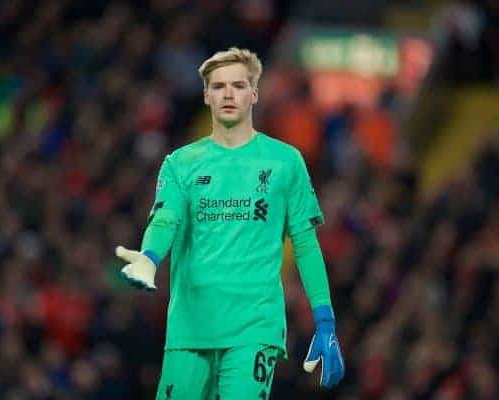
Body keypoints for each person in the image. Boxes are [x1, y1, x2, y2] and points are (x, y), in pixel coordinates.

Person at [115, 47, 345, 399]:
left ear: (254, 93)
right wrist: (149, 257)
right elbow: (165, 219)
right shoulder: (181, 163)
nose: (228, 94)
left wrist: (325, 321)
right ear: (206, 95)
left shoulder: (285, 162)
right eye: (218, 86)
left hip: (255, 328)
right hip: (191, 328)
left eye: (238, 85)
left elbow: (306, 243)